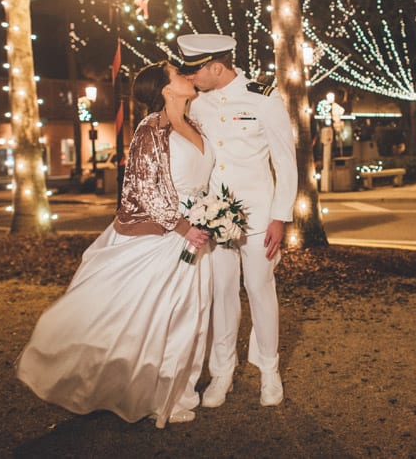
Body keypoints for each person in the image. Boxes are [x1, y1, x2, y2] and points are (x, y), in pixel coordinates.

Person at [15, 61, 214, 428]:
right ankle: (150, 391)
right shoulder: (150, 130)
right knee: (158, 318)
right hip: (165, 236)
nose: (187, 76)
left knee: (194, 315)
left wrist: (216, 214)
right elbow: (142, 188)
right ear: (166, 89)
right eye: (178, 74)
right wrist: (184, 226)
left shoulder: (196, 125)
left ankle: (181, 390)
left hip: (199, 233)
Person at [177, 33, 297, 408]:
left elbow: (285, 160)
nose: (190, 77)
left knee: (261, 291)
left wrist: (280, 216)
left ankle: (269, 371)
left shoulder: (263, 96)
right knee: (222, 294)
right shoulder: (196, 103)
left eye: (195, 70)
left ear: (216, 66)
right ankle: (222, 373)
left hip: (259, 216)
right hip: (215, 218)